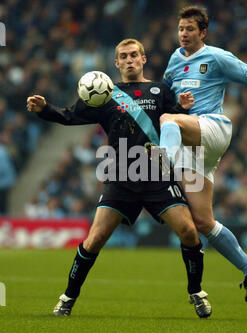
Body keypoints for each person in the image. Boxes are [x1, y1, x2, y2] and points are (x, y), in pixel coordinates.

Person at [26, 38, 212, 318]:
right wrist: (44, 110)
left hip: (158, 172)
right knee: (95, 239)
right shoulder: (104, 93)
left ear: (143, 59)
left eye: (133, 55)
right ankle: (68, 297)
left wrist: (183, 108)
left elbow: (175, 123)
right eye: (123, 56)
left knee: (188, 232)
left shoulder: (160, 91)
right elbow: (69, 116)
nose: (129, 60)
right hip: (121, 175)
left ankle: (196, 292)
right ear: (116, 63)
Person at [145, 6, 247, 302]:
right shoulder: (175, 61)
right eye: (180, 29)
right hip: (193, 143)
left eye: (190, 29)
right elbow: (164, 100)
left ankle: (163, 168)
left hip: (213, 128)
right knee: (203, 222)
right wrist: (176, 102)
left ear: (202, 32)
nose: (183, 34)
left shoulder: (217, 57)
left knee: (168, 121)